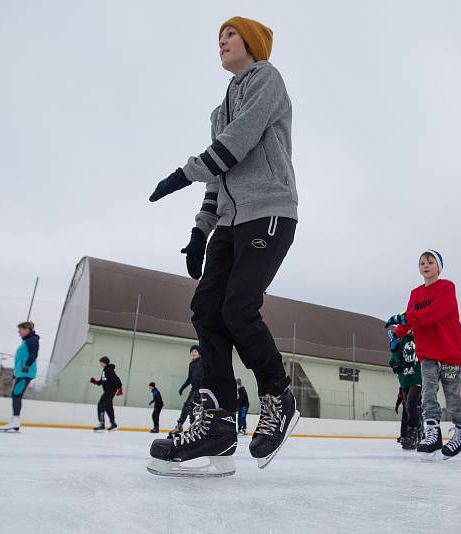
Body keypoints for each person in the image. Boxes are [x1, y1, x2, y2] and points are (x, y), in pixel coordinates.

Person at [147, 16, 300, 477]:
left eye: (231, 34)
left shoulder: (266, 80)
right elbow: (220, 172)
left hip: (270, 211)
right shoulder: (219, 110)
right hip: (230, 223)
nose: (222, 41)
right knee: (205, 310)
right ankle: (215, 419)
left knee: (238, 309)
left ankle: (278, 395)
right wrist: (200, 230)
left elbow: (240, 141)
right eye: (220, 36)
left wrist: (182, 171)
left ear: (251, 42)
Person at [386, 250, 461, 460]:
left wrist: (406, 317)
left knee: (452, 398)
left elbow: (433, 314)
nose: (425, 265)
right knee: (428, 395)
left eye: (430, 262)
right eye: (422, 262)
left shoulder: (447, 287)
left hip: (450, 352)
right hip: (427, 354)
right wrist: (397, 333)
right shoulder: (415, 294)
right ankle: (433, 433)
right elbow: (410, 320)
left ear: (438, 267)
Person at [0, 321, 39, 432]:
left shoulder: (32, 340)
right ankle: (15, 421)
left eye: (20, 330)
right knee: (16, 395)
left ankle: (15, 420)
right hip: (21, 372)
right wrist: (15, 373)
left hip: (26, 372)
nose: (19, 332)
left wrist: (27, 365)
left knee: (16, 395)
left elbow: (33, 354)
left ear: (27, 329)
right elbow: (20, 358)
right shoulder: (26, 341)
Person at [388, 330, 422, 449]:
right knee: (409, 406)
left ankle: (413, 433)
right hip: (405, 379)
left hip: (418, 377)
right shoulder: (400, 340)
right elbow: (394, 355)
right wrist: (395, 363)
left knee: (412, 403)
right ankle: (416, 432)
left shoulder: (420, 336)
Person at [172, 344, 203, 433]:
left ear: (199, 353)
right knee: (186, 406)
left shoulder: (202, 362)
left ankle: (193, 426)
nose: (193, 353)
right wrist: (182, 388)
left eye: (195, 351)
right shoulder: (191, 365)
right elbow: (189, 378)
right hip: (193, 389)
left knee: (191, 406)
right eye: (192, 351)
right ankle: (179, 425)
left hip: (200, 389)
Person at [89, 356, 122, 431]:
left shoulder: (109, 370)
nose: (100, 364)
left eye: (101, 362)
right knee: (108, 407)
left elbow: (116, 379)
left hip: (110, 391)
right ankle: (113, 424)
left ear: (104, 362)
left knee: (101, 405)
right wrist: (95, 382)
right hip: (108, 391)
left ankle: (101, 424)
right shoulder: (105, 370)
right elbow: (102, 381)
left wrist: (119, 388)